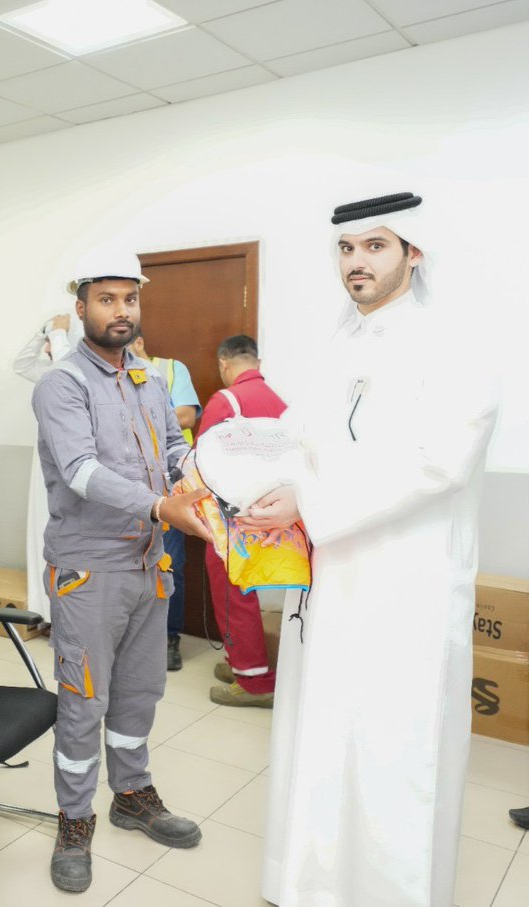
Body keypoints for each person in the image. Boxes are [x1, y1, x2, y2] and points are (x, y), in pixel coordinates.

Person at [243, 192, 498, 906]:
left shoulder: (451, 344)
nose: (356, 262)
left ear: (413, 254)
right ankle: (313, 883)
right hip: (328, 587)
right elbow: (302, 442)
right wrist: (254, 480)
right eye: (347, 249)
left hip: (404, 587)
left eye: (375, 247)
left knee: (393, 748)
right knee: (324, 735)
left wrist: (311, 502)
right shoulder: (341, 344)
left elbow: (438, 462)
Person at [32, 243, 212, 893]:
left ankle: (131, 794)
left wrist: (199, 482)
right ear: (80, 306)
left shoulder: (150, 377)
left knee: (140, 694)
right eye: (105, 298)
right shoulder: (62, 384)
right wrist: (162, 502)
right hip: (89, 570)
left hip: (147, 564)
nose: (120, 310)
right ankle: (74, 817)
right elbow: (81, 472)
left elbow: (172, 447)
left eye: (129, 298)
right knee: (85, 702)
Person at [197, 335, 287, 708]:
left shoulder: (226, 401)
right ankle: (243, 665)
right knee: (249, 592)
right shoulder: (281, 403)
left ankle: (252, 681)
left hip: (233, 516)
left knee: (233, 594)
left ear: (223, 363)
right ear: (258, 362)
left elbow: (201, 460)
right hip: (277, 513)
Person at [130, 333, 200, 670]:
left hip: (169, 484)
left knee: (171, 562)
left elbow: (186, 417)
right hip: (128, 486)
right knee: (129, 561)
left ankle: (170, 638)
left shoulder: (170, 369)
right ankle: (136, 639)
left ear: (141, 343)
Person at [14, 310, 83, 628]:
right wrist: (44, 330)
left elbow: (69, 371)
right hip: (42, 466)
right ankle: (45, 609)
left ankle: (69, 611)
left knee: (69, 536)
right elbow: (22, 363)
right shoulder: (49, 372)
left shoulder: (80, 372)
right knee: (41, 532)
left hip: (71, 466)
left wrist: (59, 336)